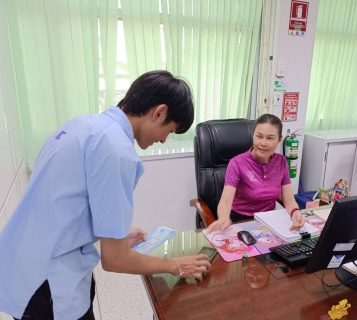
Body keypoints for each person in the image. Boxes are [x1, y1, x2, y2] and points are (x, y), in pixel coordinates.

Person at [0, 70, 211, 320]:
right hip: (48, 281)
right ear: (159, 113)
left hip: (22, 262)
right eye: (170, 131)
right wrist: (175, 265)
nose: (164, 140)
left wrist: (114, 234)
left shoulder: (84, 125)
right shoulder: (117, 151)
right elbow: (115, 260)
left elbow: (64, 202)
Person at [207, 113, 305, 233]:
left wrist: (295, 212)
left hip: (269, 222)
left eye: (270, 138)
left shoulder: (281, 162)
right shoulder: (237, 163)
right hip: (241, 221)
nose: (263, 143)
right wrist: (223, 218)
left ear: (279, 139)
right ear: (253, 135)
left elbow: (289, 199)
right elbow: (225, 202)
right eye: (259, 136)